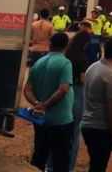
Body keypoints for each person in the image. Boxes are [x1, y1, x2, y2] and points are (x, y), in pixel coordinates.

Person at [23, 31, 75, 172]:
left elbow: (27, 89)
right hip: (61, 120)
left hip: (41, 120)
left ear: (50, 44)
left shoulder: (39, 62)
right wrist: (45, 105)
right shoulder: (65, 63)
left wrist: (37, 104)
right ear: (67, 45)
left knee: (39, 156)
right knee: (61, 159)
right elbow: (63, 89)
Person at [48, 24, 91, 172]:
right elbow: (84, 80)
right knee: (74, 133)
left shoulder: (65, 56)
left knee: (57, 129)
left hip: (62, 95)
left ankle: (50, 166)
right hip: (77, 93)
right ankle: (69, 168)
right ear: (85, 44)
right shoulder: (83, 59)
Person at [81, 35, 112, 172]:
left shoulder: (93, 67)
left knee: (95, 164)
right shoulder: (111, 76)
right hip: (100, 128)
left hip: (87, 124)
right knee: (99, 166)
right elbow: (111, 110)